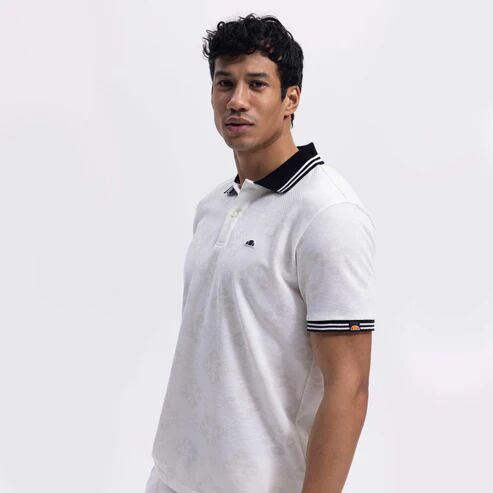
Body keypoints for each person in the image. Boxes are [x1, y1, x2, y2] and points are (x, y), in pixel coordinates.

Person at [145, 13, 377, 493]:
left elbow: (349, 388)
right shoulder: (213, 206)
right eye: (224, 83)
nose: (237, 100)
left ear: (291, 98)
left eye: (256, 84)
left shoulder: (327, 213)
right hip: (171, 478)